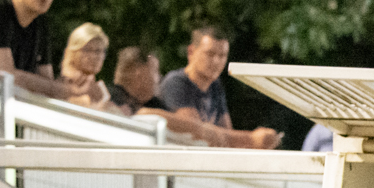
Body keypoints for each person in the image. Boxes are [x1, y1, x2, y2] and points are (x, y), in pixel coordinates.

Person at [116, 44, 278, 149]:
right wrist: (250, 140)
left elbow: (216, 132)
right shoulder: (114, 96)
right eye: (155, 71)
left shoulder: (153, 102)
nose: (159, 77)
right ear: (139, 72)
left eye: (222, 55)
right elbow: (194, 130)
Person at [159, 25, 278, 148]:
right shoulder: (176, 83)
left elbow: (226, 132)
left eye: (222, 55)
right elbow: (196, 133)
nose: (216, 61)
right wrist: (252, 139)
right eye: (210, 54)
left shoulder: (215, 86)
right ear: (191, 52)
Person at [59, 22, 118, 110]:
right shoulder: (64, 84)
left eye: (98, 51)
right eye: (87, 50)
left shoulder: (97, 86)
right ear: (73, 51)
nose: (93, 56)